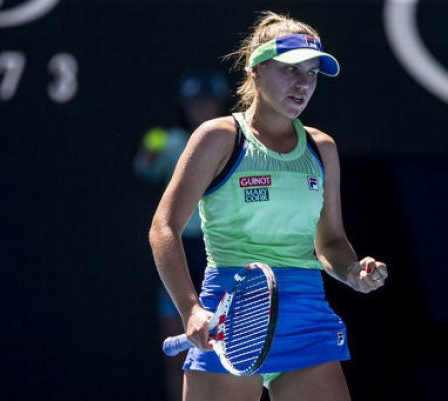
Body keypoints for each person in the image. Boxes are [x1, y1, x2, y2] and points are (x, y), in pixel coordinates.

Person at [149, 11, 389, 401]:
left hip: (306, 316)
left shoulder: (322, 148)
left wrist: (352, 271)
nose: (303, 84)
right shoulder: (217, 137)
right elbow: (163, 228)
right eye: (290, 70)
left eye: (311, 73)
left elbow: (330, 241)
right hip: (227, 319)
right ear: (255, 71)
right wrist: (190, 309)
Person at [134, 70, 229, 401]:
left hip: (222, 250)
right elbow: (144, 169)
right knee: (179, 348)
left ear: (218, 101)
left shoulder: (235, 138)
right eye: (193, 103)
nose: (199, 108)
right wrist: (150, 148)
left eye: (206, 101)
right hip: (182, 250)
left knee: (231, 349)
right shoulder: (171, 140)